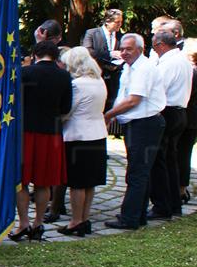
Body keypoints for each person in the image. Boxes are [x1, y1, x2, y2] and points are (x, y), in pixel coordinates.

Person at [10, 40, 72, 241]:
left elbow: (15, 103)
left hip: (26, 132)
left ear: (36, 54)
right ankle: (38, 222)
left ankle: (23, 223)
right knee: (44, 182)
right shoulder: (64, 76)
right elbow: (66, 108)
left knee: (22, 181)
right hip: (51, 133)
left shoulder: (25, 73)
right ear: (55, 56)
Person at [103, 33, 166, 230]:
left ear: (140, 48)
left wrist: (108, 115)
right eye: (122, 49)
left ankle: (129, 217)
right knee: (140, 171)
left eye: (128, 49)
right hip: (137, 123)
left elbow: (133, 100)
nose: (124, 52)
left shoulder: (144, 68)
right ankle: (137, 214)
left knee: (137, 172)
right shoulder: (130, 67)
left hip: (145, 123)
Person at [58, 47, 108, 236]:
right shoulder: (99, 81)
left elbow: (67, 111)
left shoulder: (77, 85)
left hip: (78, 135)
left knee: (77, 182)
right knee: (90, 181)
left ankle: (75, 220)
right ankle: (84, 217)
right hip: (97, 133)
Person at [148, 30, 192, 219]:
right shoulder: (182, 59)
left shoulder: (169, 62)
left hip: (168, 111)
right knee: (170, 160)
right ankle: (174, 203)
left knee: (160, 161)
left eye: (154, 46)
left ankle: (162, 206)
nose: (154, 50)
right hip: (180, 112)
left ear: (161, 45)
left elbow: (158, 88)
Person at [176, 38, 197, 204]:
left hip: (190, 116)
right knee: (182, 153)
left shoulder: (194, 71)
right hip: (194, 115)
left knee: (182, 153)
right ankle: (180, 188)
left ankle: (181, 189)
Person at [82, 9, 124, 111]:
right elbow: (87, 51)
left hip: (114, 77)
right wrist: (109, 54)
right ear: (108, 21)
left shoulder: (121, 36)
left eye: (121, 22)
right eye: (117, 22)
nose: (120, 25)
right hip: (96, 75)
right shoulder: (91, 33)